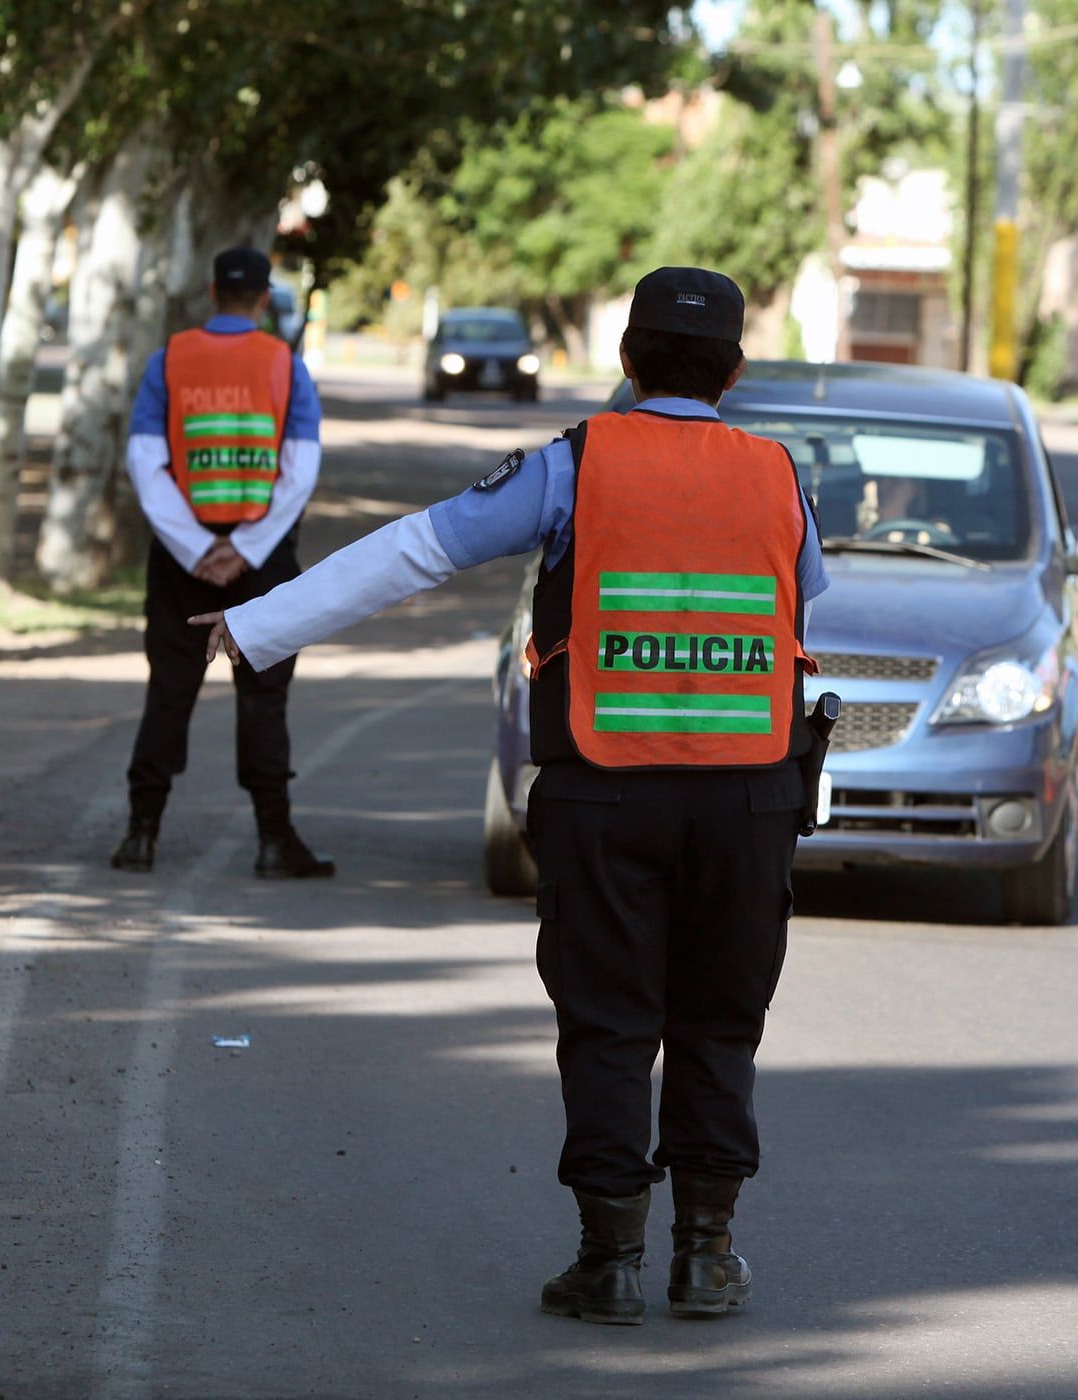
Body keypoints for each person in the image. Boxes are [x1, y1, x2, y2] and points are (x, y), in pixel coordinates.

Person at [190, 267, 830, 1326]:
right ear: (737, 373)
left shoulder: (576, 462)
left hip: (605, 792)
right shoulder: (777, 473)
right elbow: (809, 595)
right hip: (749, 799)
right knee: (721, 1022)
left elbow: (416, 551)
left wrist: (259, 625)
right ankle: (708, 1256)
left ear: (625, 362)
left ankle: (610, 1261)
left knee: (611, 1022)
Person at [109, 246, 333, 879]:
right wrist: (249, 547)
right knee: (264, 698)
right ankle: (272, 841)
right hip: (261, 563)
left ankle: (140, 836)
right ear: (263, 298)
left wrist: (197, 546)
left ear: (212, 293)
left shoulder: (170, 360)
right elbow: (300, 468)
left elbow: (146, 460)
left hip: (185, 564)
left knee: (169, 693)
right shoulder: (285, 365)